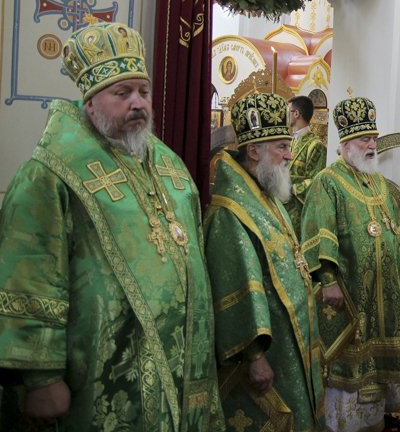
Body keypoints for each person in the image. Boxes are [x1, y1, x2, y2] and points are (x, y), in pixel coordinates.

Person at [0, 22, 222, 430]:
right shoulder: (50, 172)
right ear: (90, 103)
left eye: (143, 92)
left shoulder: (169, 166)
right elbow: (29, 273)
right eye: (123, 93)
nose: (138, 103)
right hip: (101, 370)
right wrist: (42, 376)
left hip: (181, 362)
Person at [205, 90, 324, 431]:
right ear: (254, 151)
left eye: (289, 145)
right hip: (266, 349)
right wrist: (255, 356)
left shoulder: (266, 194)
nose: (290, 155)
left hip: (289, 340)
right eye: (282, 147)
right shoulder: (231, 212)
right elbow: (236, 285)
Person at [300, 96, 400, 432]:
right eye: (365, 139)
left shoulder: (377, 180)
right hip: (349, 293)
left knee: (377, 365)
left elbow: (396, 228)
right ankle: (343, 423)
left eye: (374, 138)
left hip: (383, 292)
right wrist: (328, 280)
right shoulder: (328, 181)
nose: (372, 145)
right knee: (348, 363)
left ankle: (372, 420)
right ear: (347, 143)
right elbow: (318, 233)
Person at [284, 95, 326, 232]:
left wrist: (291, 189)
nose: (285, 116)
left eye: (288, 111)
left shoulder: (315, 145)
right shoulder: (291, 141)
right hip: (284, 207)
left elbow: (316, 181)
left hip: (300, 210)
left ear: (296, 114)